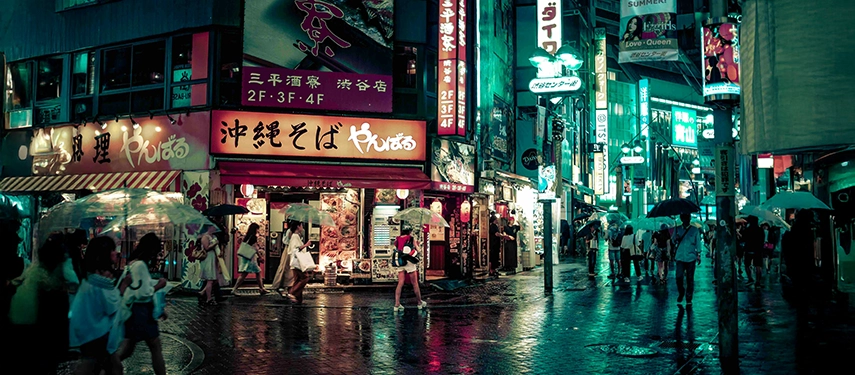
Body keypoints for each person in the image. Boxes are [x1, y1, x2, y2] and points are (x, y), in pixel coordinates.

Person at [7, 232, 70, 374]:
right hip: (37, 337)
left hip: (21, 330)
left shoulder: (31, 273)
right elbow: (54, 321)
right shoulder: (48, 284)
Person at [69, 236, 122, 375]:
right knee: (92, 366)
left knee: (111, 367)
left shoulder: (93, 278)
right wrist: (124, 285)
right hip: (96, 334)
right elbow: (111, 306)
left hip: (94, 332)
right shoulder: (99, 281)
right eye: (112, 250)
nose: (116, 253)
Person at [117, 233, 168, 375]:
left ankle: (107, 366)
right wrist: (159, 285)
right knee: (155, 346)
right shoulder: (140, 265)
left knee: (128, 348)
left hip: (137, 311)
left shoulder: (134, 263)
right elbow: (143, 293)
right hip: (141, 312)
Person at [393, 227, 427, 311]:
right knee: (415, 283)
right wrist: (417, 245)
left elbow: (396, 248)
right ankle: (419, 303)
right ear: (409, 231)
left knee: (400, 283)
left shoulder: (397, 239)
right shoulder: (411, 238)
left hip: (400, 261)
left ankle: (397, 304)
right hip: (409, 262)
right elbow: (418, 250)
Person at [233, 223, 269, 296]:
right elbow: (255, 248)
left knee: (255, 272)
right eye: (257, 229)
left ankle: (261, 288)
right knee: (250, 273)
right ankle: (234, 289)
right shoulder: (253, 237)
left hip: (245, 257)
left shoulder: (246, 237)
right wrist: (260, 257)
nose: (258, 230)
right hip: (250, 258)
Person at [673, 214, 701, 306]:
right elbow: (673, 240)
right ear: (681, 219)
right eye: (684, 218)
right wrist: (675, 238)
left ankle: (689, 297)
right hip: (680, 256)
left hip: (691, 257)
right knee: (678, 276)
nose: (686, 220)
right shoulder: (677, 229)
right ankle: (681, 292)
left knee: (690, 278)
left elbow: (698, 243)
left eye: (688, 218)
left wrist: (698, 254)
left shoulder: (694, 230)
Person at [286, 221, 312, 304]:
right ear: (298, 226)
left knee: (298, 280)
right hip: (298, 263)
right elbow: (295, 249)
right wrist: (306, 245)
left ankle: (298, 299)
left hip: (296, 263)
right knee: (305, 277)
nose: (302, 228)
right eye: (301, 226)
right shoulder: (295, 236)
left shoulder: (296, 236)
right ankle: (292, 293)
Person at [196, 225, 220, 306]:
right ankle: (209, 299)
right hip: (208, 259)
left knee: (214, 279)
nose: (214, 228)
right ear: (209, 227)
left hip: (213, 258)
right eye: (213, 227)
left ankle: (203, 293)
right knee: (210, 279)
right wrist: (214, 244)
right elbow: (206, 248)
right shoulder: (205, 237)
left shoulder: (213, 236)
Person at [272, 220, 295, 297]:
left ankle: (288, 287)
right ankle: (282, 285)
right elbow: (286, 241)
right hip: (289, 250)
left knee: (288, 268)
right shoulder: (290, 232)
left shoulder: (291, 231)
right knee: (287, 267)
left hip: (290, 250)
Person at [742, 216, 765, 287]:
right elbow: (762, 239)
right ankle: (758, 281)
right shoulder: (760, 230)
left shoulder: (747, 230)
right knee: (758, 266)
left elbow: (743, 238)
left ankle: (750, 278)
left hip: (749, 249)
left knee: (747, 265)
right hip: (758, 250)